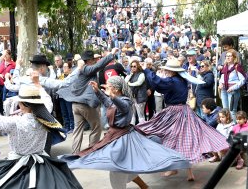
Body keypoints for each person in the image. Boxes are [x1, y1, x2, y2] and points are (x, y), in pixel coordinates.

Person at [60, 76, 190, 189]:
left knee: (117, 167)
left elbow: (122, 106)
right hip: (114, 136)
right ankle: (144, 186)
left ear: (116, 89)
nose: (107, 87)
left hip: (123, 138)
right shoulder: (114, 99)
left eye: (110, 86)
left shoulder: (126, 101)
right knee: (122, 166)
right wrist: (98, 91)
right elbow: (108, 102)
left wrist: (110, 95)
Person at [0, 83, 82, 189]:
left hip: (18, 164)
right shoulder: (44, 116)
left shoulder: (16, 122)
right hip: (43, 164)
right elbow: (47, 101)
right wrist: (38, 84)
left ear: (23, 104)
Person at [136, 59, 229, 181]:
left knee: (171, 139)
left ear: (171, 71)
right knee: (187, 141)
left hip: (174, 112)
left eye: (167, 69)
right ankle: (189, 173)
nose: (165, 71)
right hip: (185, 111)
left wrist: (147, 70)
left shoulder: (172, 81)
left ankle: (173, 168)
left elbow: (157, 82)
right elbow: (159, 84)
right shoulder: (182, 80)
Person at [57, 49, 118, 154]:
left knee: (78, 130)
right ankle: (91, 153)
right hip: (85, 104)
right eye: (94, 59)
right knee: (97, 127)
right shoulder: (85, 69)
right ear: (89, 60)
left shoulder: (82, 68)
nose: (96, 61)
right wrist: (111, 54)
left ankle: (75, 154)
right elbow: (98, 66)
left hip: (76, 104)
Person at [218, 49, 246, 123]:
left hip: (233, 91)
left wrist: (233, 87)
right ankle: (227, 129)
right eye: (227, 56)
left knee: (232, 111)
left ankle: (234, 131)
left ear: (234, 57)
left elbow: (243, 80)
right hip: (224, 90)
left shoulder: (237, 66)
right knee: (225, 111)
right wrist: (220, 83)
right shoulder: (225, 66)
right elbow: (222, 78)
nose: (228, 57)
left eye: (230, 56)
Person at [125, 60, 147, 124]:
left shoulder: (142, 74)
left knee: (141, 115)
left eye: (134, 66)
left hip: (140, 97)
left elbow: (139, 83)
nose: (133, 68)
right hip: (132, 97)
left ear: (138, 66)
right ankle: (132, 129)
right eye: (131, 66)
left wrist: (130, 84)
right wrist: (130, 74)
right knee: (132, 115)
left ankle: (142, 130)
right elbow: (125, 81)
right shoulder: (131, 74)